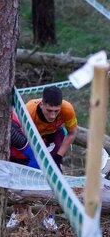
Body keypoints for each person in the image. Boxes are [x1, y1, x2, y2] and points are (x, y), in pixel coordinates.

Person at [26, 86, 78, 231]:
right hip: (30, 137)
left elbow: (72, 133)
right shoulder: (28, 109)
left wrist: (58, 156)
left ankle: (49, 217)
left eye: (56, 111)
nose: (53, 115)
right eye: (49, 110)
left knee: (56, 174)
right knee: (26, 171)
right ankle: (21, 213)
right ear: (42, 104)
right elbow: (21, 137)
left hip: (54, 134)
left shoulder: (67, 109)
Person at [6, 111, 39, 230]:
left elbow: (31, 153)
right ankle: (23, 213)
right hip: (16, 152)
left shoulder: (10, 126)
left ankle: (21, 214)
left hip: (25, 152)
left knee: (16, 182)